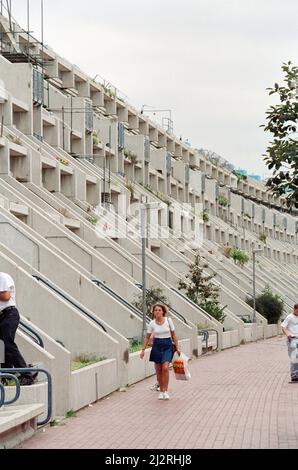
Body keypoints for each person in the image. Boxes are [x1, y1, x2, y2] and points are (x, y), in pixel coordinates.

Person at [0, 272, 37, 386]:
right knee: (2, 346)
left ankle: (27, 375)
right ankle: (7, 375)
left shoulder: (3, 277)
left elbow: (6, 297)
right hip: (2, 316)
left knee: (7, 344)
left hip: (9, 314)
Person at [140, 303, 180, 400]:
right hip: (157, 346)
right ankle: (161, 390)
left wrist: (178, 347)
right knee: (158, 370)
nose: (157, 312)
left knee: (165, 368)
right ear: (153, 312)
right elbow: (147, 337)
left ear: (163, 312)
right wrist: (143, 350)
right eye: (156, 310)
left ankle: (165, 391)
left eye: (159, 310)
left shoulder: (168, 321)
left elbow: (174, 335)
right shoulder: (152, 323)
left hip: (167, 345)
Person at [281, 304, 298, 382]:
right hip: (293, 340)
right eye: (297, 311)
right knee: (294, 357)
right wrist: (287, 334)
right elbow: (283, 327)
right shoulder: (289, 317)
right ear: (294, 309)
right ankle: (294, 375)